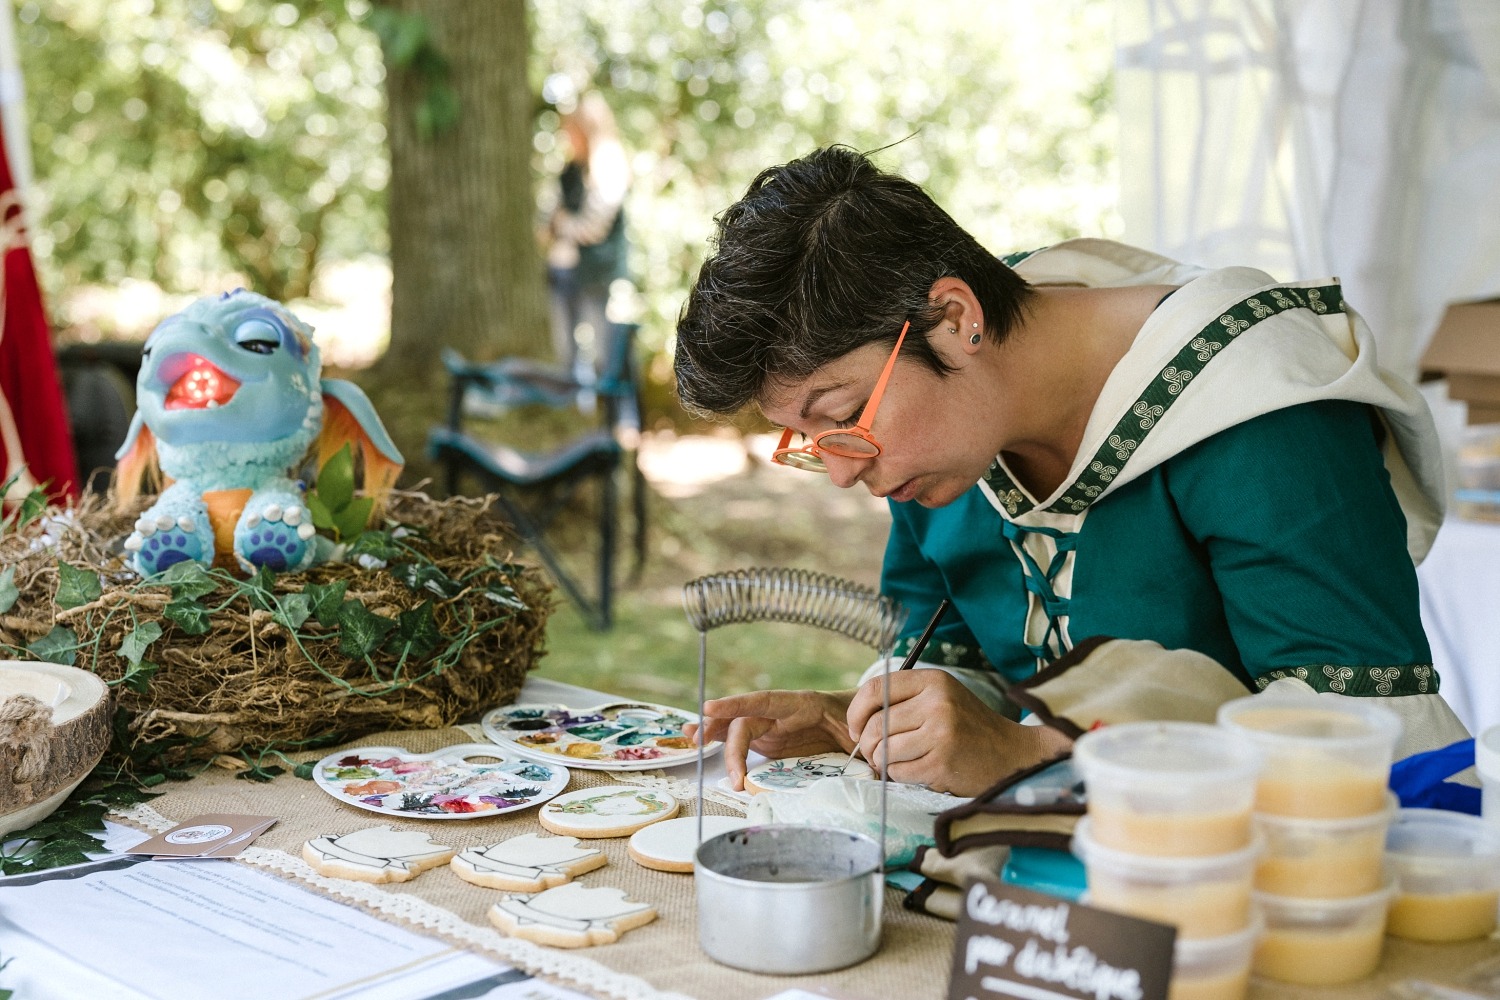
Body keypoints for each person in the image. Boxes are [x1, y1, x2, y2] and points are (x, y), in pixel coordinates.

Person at [674, 145, 1470, 797]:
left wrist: (1035, 759)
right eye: (809, 440)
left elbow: (1369, 739)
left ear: (956, 320)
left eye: (842, 416)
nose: (843, 473)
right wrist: (862, 722)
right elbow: (954, 663)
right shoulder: (946, 444)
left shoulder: (1259, 407)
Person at [542, 91, 631, 388]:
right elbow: (547, 219)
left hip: (597, 274)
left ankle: (615, 418)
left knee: (605, 352)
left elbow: (593, 228)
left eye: (571, 130)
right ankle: (575, 409)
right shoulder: (569, 170)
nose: (565, 137)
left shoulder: (609, 166)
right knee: (566, 350)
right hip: (563, 272)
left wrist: (563, 224)